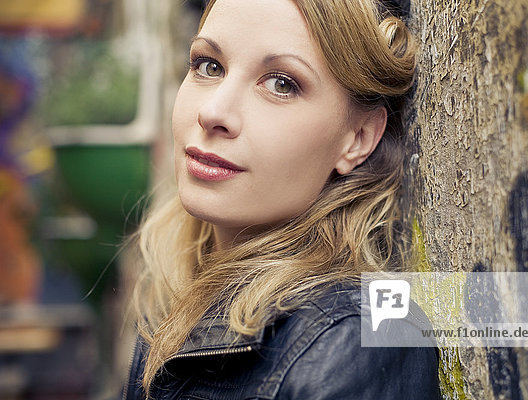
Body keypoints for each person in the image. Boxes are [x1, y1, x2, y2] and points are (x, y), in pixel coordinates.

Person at [122, 0, 441, 398]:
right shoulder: (176, 289)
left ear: (357, 138)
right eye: (209, 65)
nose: (213, 111)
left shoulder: (350, 343)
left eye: (281, 84)